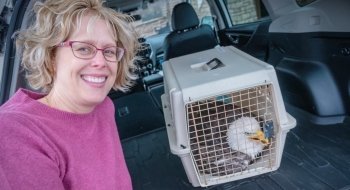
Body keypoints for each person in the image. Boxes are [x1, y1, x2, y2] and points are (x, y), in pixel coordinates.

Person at [0, 0, 139, 189]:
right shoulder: (15, 132)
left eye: (109, 51)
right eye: (83, 48)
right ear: (51, 57)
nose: (100, 61)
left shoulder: (104, 106)